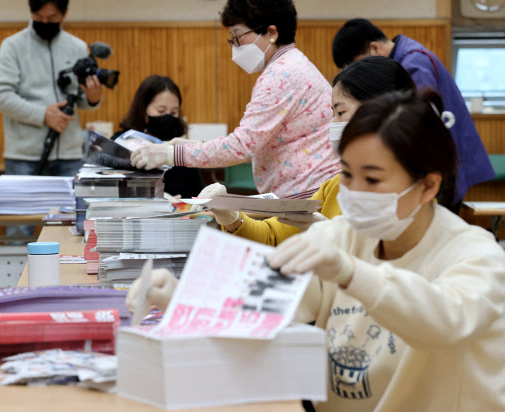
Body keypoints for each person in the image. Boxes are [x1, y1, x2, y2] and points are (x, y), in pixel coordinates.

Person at [129, 90, 505, 411]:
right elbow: (262, 304)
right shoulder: (343, 236)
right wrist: (182, 296)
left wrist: (352, 273)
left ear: (427, 186)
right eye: (346, 174)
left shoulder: (476, 256)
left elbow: (444, 321)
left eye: (372, 179)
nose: (353, 192)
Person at [193, 57, 416, 246]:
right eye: (333, 113)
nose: (333, 124)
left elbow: (394, 274)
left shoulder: (410, 191)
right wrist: (232, 219)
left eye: (340, 112)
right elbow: (274, 236)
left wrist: (335, 240)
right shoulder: (336, 186)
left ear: (379, 110)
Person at [130, 0, 340, 199]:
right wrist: (193, 146)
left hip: (308, 194)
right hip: (312, 191)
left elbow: (241, 146)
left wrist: (172, 154)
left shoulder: (280, 75)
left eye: (238, 37)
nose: (235, 46)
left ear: (271, 33)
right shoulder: (292, 65)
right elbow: (251, 141)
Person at [332, 18, 495, 209]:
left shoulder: (414, 62)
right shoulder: (407, 56)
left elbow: (414, 120)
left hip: (439, 160)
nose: (352, 72)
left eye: (352, 63)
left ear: (375, 48)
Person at [0, 0, 104, 177]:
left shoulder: (78, 47)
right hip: (24, 157)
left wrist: (93, 98)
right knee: (22, 206)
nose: (44, 23)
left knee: (73, 205)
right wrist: (43, 115)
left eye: (52, 17)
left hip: (70, 155)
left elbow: (82, 100)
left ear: (64, 14)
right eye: (38, 17)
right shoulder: (13, 46)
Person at [114, 75, 204, 198]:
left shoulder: (179, 149)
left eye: (173, 112)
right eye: (161, 111)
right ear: (143, 111)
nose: (168, 117)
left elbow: (198, 196)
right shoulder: (122, 142)